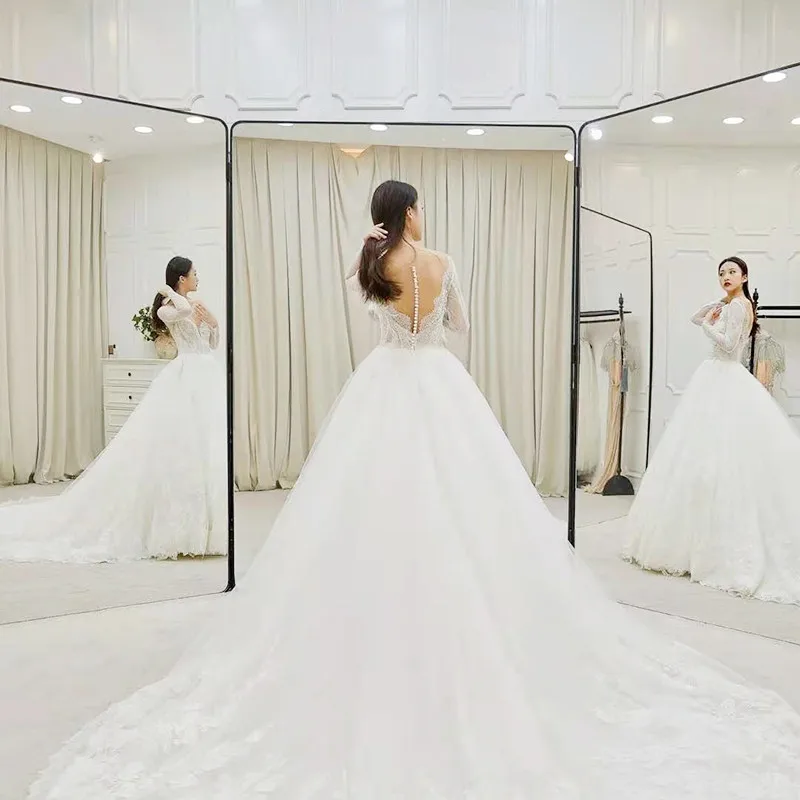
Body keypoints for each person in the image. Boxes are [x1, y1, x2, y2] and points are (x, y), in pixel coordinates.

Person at [26, 188, 800, 799]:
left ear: (379, 218)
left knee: (364, 506)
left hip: (385, 384)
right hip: (439, 382)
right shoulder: (442, 261)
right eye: (418, 206)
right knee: (468, 504)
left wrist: (372, 263)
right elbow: (458, 326)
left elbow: (362, 303)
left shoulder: (374, 262)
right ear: (410, 212)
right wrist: (432, 305)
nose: (422, 214)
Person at [0, 256, 227, 562]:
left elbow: (210, 344)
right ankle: (177, 529)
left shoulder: (191, 304)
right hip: (185, 376)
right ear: (181, 279)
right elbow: (184, 312)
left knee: (205, 449)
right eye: (194, 274)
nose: (198, 278)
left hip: (204, 377)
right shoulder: (168, 307)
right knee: (181, 447)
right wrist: (169, 292)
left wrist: (212, 322)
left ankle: (207, 527)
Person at [623, 256, 800, 604]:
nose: (725, 276)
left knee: (720, 454)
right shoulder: (734, 304)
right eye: (721, 273)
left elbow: (729, 345)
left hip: (724, 374)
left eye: (732, 272)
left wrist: (709, 324)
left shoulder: (739, 306)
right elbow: (695, 316)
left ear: (745, 276)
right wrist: (716, 304)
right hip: (720, 376)